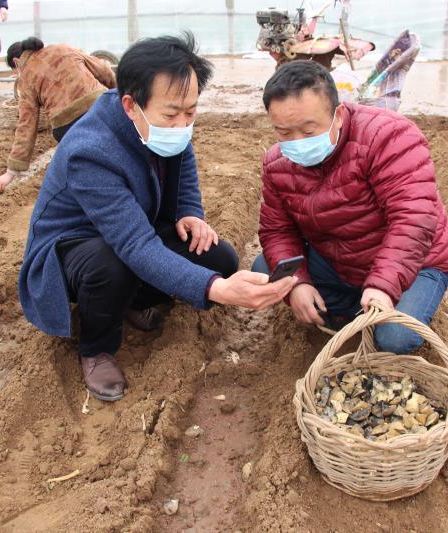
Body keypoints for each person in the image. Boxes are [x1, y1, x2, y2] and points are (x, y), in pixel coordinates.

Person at [18, 33, 296, 402]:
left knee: (219, 258)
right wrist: (218, 289)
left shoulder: (164, 125)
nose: (183, 123)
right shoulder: (90, 151)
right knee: (112, 265)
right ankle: (96, 348)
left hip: (132, 227)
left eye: (191, 111)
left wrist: (189, 212)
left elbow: (184, 167)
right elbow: (133, 244)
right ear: (132, 105)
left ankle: (131, 299)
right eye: (172, 113)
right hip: (74, 248)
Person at [253, 61, 448, 354]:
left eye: (308, 131)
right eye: (284, 133)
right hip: (341, 261)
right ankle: (357, 307)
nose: (296, 142)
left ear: (338, 115)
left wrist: (384, 286)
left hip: (417, 261)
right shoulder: (277, 163)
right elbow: (277, 230)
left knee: (394, 338)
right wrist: (297, 283)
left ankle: (390, 301)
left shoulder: (388, 136)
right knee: (266, 269)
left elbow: (413, 219)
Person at [0, 38, 117, 193]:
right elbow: (104, 71)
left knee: (89, 165)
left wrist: (11, 172)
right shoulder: (63, 48)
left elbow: (27, 125)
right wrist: (114, 91)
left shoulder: (26, 78)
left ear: (17, 62)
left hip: (68, 125)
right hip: (101, 107)